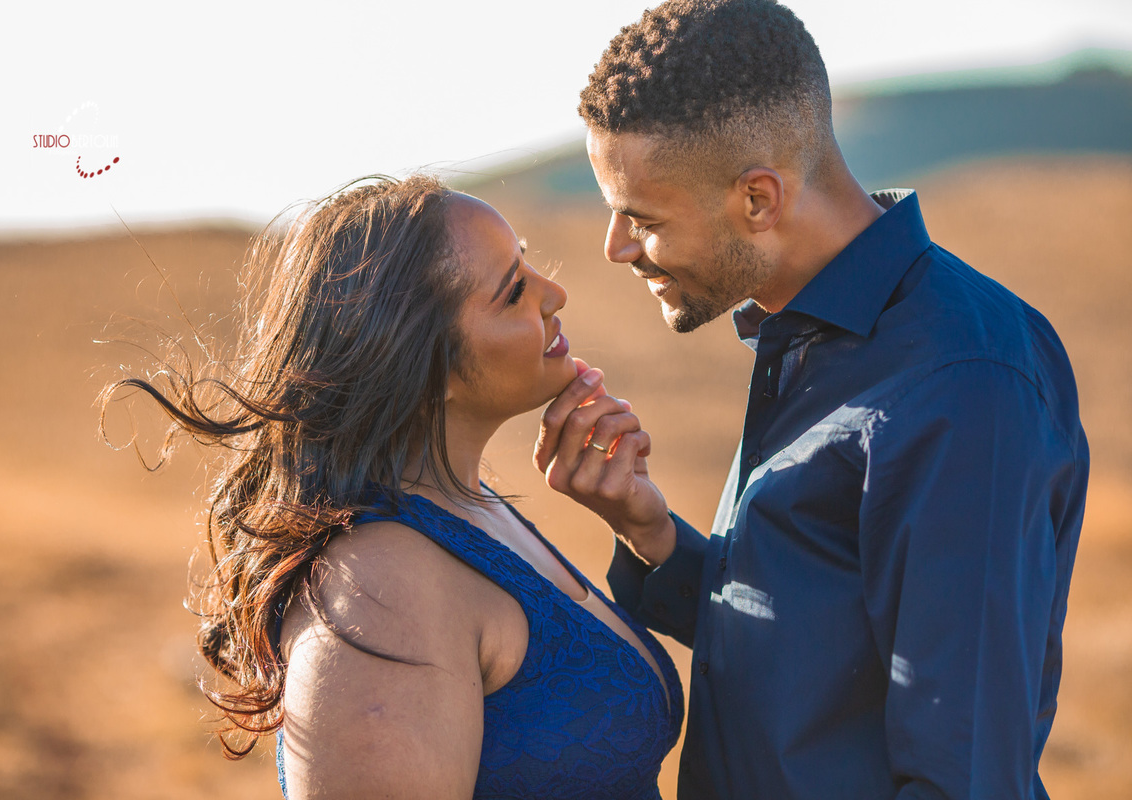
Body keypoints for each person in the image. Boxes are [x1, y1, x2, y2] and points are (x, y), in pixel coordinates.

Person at [534, 1, 1090, 798]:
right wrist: (653, 537)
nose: (616, 248)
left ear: (758, 199)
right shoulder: (803, 338)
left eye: (641, 219)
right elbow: (823, 657)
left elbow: (961, 773)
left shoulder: (965, 381)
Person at [102, 175, 683, 799]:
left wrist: (643, 530)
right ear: (422, 363)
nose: (554, 293)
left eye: (526, 260)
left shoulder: (471, 515)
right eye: (513, 291)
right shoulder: (378, 590)